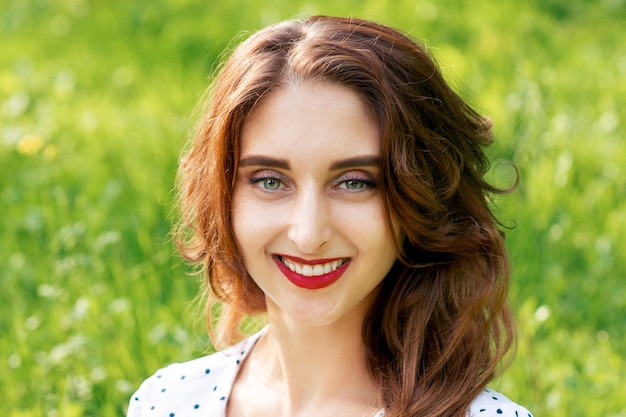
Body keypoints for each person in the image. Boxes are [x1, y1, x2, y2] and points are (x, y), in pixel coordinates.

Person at [127, 15, 533, 417]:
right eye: (270, 181)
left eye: (355, 182)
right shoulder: (165, 403)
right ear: (223, 197)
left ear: (423, 198)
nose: (308, 234)